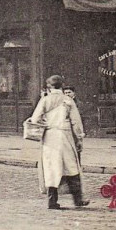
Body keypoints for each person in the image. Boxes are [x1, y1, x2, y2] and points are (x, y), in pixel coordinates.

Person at [29, 75, 87, 210]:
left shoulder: (45, 100)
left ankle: (52, 202)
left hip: (50, 137)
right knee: (71, 167)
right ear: (62, 86)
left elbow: (35, 119)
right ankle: (78, 200)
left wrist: (46, 123)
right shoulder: (68, 101)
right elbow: (76, 123)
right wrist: (79, 139)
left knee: (51, 168)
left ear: (49, 87)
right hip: (65, 136)